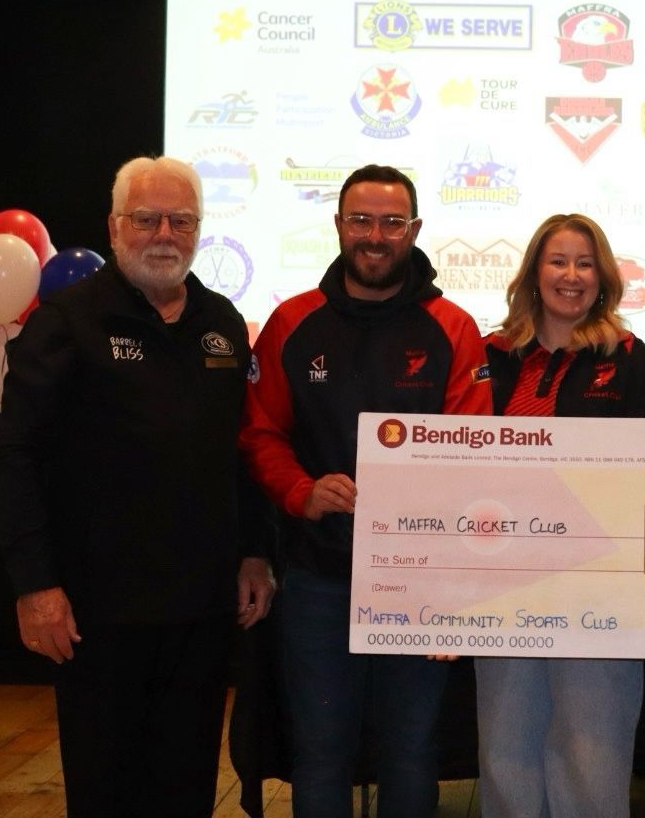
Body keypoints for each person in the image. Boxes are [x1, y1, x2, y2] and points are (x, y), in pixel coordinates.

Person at [0, 155, 275, 817]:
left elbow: (244, 450)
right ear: (116, 228)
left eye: (181, 220)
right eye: (147, 219)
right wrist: (35, 587)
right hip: (97, 615)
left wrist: (256, 550)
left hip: (202, 612)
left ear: (200, 229)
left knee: (186, 788)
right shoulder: (67, 323)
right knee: (106, 788)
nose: (164, 234)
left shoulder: (222, 324)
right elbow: (15, 457)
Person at [240, 164, 488, 818]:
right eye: (361, 220)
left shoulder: (453, 328)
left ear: (414, 230)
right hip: (319, 577)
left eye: (391, 222)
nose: (375, 236)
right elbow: (261, 433)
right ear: (339, 226)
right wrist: (301, 491)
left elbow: (476, 449)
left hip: (420, 581)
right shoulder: (292, 323)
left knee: (411, 751)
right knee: (321, 752)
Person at [476, 213, 645, 818]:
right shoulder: (491, 357)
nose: (572, 275)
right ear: (534, 272)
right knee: (506, 751)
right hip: (502, 585)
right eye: (558, 261)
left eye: (585, 263)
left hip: (599, 587)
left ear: (603, 276)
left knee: (593, 754)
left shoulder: (634, 360)